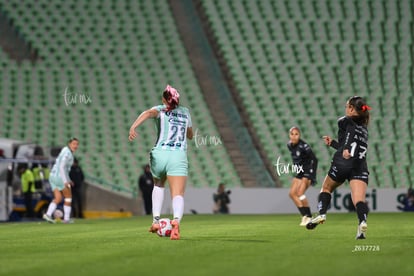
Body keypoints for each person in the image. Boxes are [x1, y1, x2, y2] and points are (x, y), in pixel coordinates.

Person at [129, 84, 193, 240]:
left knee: (158, 185)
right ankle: (176, 222)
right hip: (178, 154)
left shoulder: (160, 109)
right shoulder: (185, 112)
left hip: (160, 153)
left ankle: (156, 221)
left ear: (164, 99)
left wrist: (133, 127)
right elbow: (190, 135)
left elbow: (148, 113)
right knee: (177, 194)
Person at [306, 96, 371, 240]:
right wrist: (334, 144)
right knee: (359, 200)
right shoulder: (365, 130)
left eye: (347, 105)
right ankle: (362, 224)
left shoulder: (345, 121)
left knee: (326, 188)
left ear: (352, 109)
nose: (345, 108)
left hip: (343, 162)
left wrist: (346, 148)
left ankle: (322, 213)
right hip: (360, 166)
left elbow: (349, 135)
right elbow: (352, 142)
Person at [43, 137, 79, 223]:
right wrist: (65, 181)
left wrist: (69, 179)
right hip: (60, 177)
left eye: (77, 144)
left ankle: (47, 215)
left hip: (52, 176)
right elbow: (62, 167)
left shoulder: (64, 150)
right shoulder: (68, 154)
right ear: (69, 144)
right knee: (68, 197)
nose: (76, 146)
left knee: (58, 198)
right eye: (74, 144)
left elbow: (64, 168)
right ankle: (66, 219)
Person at [287, 126, 318, 226]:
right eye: (292, 134)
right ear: (289, 135)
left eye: (296, 134)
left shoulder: (304, 146)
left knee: (300, 193)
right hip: (299, 171)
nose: (294, 136)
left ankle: (309, 216)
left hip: (307, 171)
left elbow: (314, 159)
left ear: (299, 135)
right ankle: (304, 216)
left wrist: (312, 175)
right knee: (292, 194)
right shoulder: (289, 145)